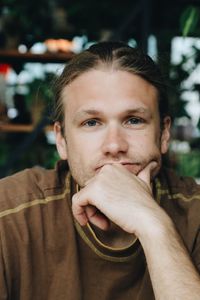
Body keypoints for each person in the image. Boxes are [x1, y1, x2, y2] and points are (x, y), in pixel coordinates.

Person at [0, 41, 200, 300]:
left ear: (163, 134)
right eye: (91, 122)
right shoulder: (9, 215)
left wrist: (154, 226)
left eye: (134, 120)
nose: (114, 145)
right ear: (62, 140)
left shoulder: (195, 214)